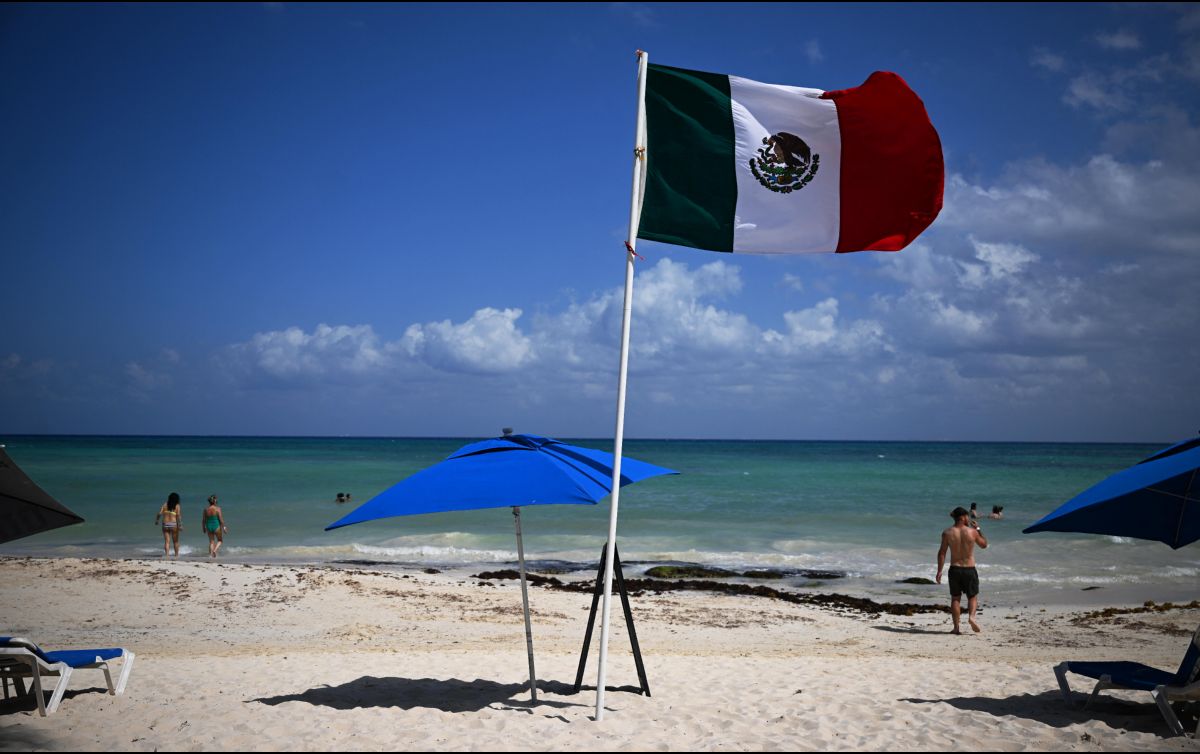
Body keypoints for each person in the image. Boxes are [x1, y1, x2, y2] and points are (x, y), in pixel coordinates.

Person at [936, 506, 988, 634]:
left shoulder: (947, 533)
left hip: (955, 569)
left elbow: (942, 553)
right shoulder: (972, 532)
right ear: (964, 517)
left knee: (955, 598)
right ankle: (972, 617)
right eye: (967, 517)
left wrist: (939, 571)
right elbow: (984, 545)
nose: (968, 519)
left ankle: (956, 628)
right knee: (972, 597)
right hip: (969, 569)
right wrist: (979, 529)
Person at [155, 492, 183, 558]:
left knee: (167, 541)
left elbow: (159, 513)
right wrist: (180, 525)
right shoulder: (177, 506)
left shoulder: (165, 504)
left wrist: (157, 520)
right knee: (175, 541)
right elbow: (178, 516)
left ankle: (167, 555)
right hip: (173, 524)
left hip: (165, 524)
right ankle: (176, 556)